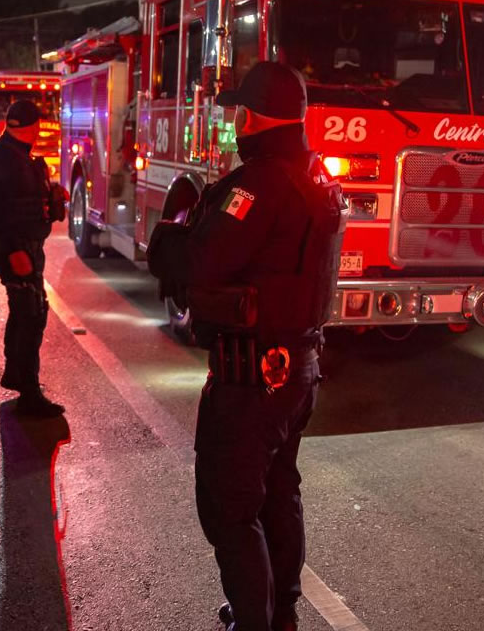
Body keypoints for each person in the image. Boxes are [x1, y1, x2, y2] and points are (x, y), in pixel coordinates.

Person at [147, 62, 347, 631]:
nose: (235, 122)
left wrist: (172, 226)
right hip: (298, 369)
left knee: (229, 507)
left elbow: (196, 262)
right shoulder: (317, 176)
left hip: (249, 379)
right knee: (277, 491)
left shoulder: (257, 184)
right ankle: (278, 611)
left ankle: (255, 624)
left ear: (252, 117)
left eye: (238, 111)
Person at [0, 99, 67, 417]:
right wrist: (16, 251)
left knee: (27, 313)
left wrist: (52, 198)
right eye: (38, 126)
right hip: (15, 249)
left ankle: (16, 375)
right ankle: (28, 393)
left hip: (28, 247)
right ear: (32, 127)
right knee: (30, 315)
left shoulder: (22, 158)